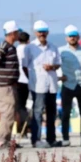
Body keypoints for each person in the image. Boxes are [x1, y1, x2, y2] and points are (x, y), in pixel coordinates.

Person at [27, 20, 61, 148]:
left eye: (44, 32)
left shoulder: (53, 47)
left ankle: (51, 139)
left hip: (51, 85)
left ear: (47, 32)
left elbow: (58, 63)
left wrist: (52, 66)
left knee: (52, 112)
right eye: (39, 32)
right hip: (38, 85)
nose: (42, 34)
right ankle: (36, 140)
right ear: (35, 33)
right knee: (38, 112)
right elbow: (25, 66)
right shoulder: (30, 48)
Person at [0, 20, 23, 147]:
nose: (19, 34)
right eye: (17, 32)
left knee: (10, 112)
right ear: (13, 33)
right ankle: (2, 141)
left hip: (10, 85)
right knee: (8, 112)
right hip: (4, 86)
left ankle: (6, 139)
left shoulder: (11, 47)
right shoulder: (4, 47)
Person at [58, 24, 81, 146]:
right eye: (70, 36)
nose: (72, 38)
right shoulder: (61, 51)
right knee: (65, 114)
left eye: (74, 36)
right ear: (66, 38)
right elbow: (56, 64)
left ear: (78, 37)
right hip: (68, 85)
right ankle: (65, 138)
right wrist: (59, 76)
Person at [14, 29, 31, 138]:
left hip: (19, 80)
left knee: (20, 107)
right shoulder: (29, 49)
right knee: (23, 106)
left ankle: (23, 129)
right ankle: (24, 128)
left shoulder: (15, 50)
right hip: (28, 80)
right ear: (28, 40)